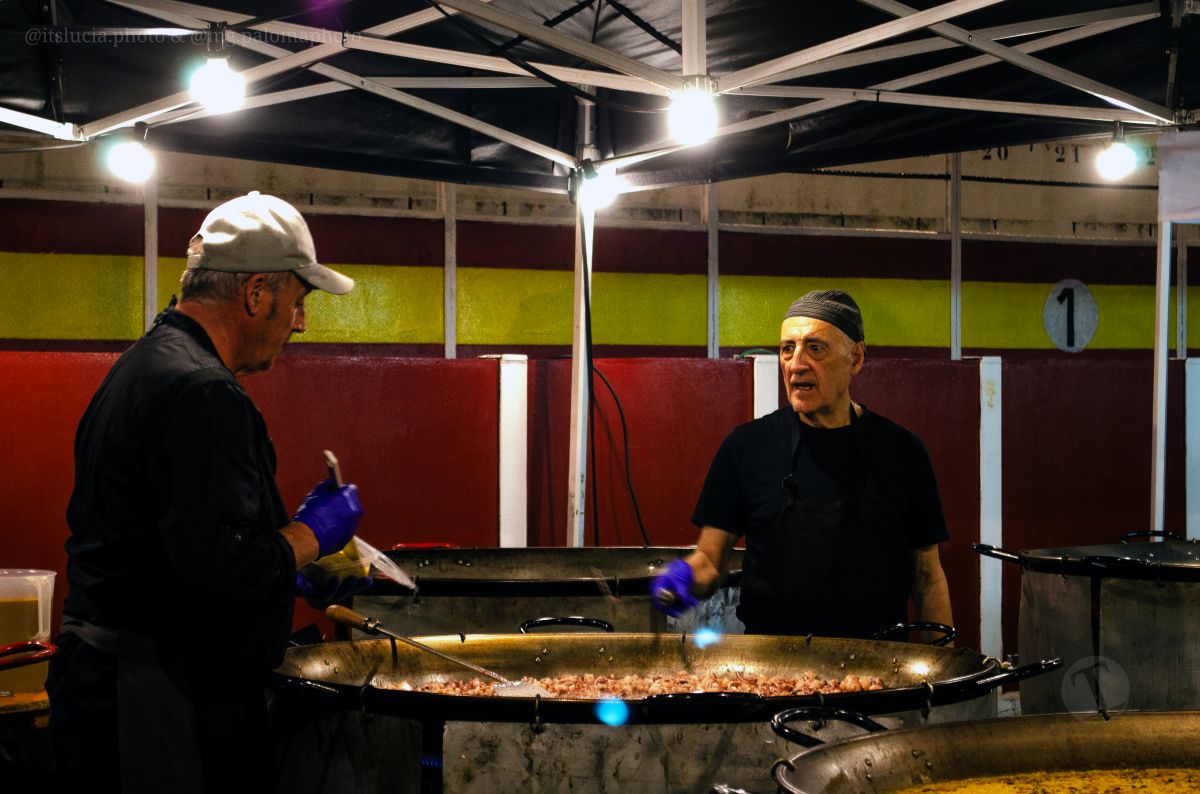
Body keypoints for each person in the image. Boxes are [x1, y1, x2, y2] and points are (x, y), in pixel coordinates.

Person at [47, 192, 367, 794]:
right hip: (153, 701)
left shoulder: (142, 366)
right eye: (297, 303)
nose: (300, 322)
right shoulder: (203, 394)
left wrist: (294, 570)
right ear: (255, 294)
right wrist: (311, 535)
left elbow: (178, 548)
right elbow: (220, 576)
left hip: (109, 689)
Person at [653, 289, 953, 640]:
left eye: (815, 348)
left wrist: (942, 666)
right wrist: (682, 579)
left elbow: (927, 576)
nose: (796, 364)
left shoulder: (902, 452)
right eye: (787, 349)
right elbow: (710, 561)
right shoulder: (746, 448)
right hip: (773, 673)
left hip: (878, 670)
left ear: (855, 359)